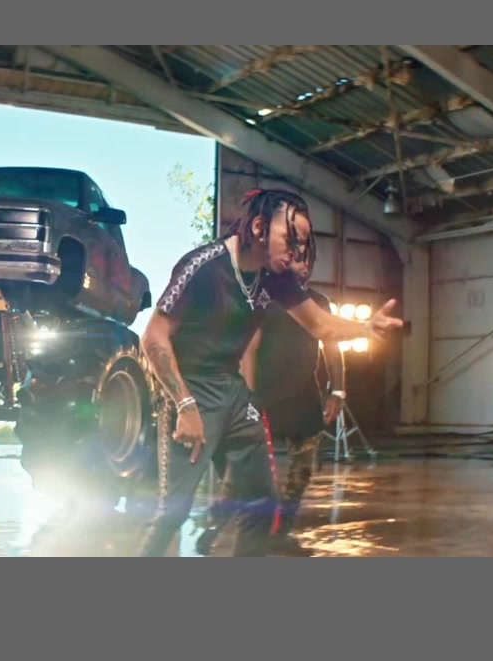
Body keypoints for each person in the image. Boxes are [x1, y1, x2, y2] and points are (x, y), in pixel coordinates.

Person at [136, 188, 402, 557]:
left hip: (232, 390)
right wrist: (184, 405)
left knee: (262, 506)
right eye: (290, 240)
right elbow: (153, 337)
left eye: (302, 244)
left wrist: (367, 328)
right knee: (173, 511)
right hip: (189, 389)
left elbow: (321, 325)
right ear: (259, 227)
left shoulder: (274, 276)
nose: (296, 252)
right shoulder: (205, 265)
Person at [195, 251, 345, 557]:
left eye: (308, 261)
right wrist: (249, 397)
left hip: (303, 396)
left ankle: (280, 532)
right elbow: (249, 351)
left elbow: (332, 347)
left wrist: (338, 391)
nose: (303, 267)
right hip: (264, 396)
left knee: (302, 471)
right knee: (242, 474)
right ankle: (214, 525)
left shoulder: (319, 303)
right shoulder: (264, 297)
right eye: (297, 260)